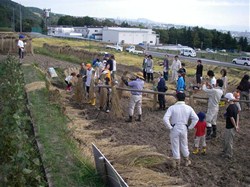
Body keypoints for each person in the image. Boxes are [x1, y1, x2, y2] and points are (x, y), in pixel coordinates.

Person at [163, 92, 199, 168]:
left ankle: (177, 161)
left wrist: (170, 127)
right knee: (184, 144)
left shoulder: (172, 108)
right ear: (184, 98)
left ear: (176, 98)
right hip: (184, 127)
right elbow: (196, 118)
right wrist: (190, 127)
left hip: (175, 127)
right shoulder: (188, 108)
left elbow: (165, 118)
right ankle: (186, 160)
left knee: (175, 144)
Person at [222, 93, 239, 159]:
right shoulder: (235, 106)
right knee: (227, 139)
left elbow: (231, 118)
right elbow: (237, 115)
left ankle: (229, 154)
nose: (225, 100)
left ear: (228, 99)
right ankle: (225, 151)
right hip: (232, 126)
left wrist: (235, 126)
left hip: (230, 127)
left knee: (229, 141)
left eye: (226, 99)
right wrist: (237, 125)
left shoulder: (229, 108)